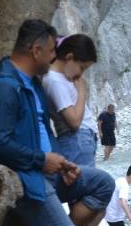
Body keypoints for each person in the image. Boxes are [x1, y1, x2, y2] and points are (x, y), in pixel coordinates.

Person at [0, 19, 114, 226]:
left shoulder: (32, 83)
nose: (55, 57)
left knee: (103, 183)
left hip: (46, 170)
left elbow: (43, 132)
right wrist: (42, 160)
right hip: (25, 179)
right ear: (36, 51)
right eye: (52, 52)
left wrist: (62, 163)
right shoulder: (5, 86)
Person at [42, 34, 99, 167]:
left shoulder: (61, 78)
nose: (81, 74)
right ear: (69, 57)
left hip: (80, 139)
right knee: (85, 185)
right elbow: (74, 122)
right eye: (82, 67)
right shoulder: (54, 81)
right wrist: (82, 91)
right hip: (76, 138)